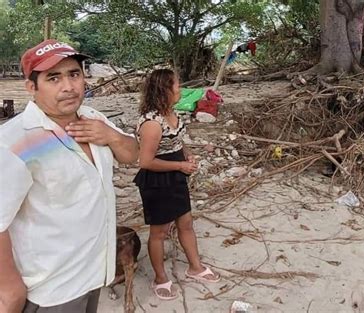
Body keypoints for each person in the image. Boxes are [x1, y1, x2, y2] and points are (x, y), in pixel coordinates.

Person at [0, 39, 138, 313]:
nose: (68, 86)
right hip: (52, 289)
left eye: (74, 74)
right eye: (54, 78)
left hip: (95, 272)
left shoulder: (92, 117)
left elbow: (131, 154)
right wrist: (8, 287)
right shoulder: (14, 142)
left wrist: (110, 135)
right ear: (32, 87)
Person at [134, 69, 220, 300]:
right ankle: (160, 278)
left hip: (176, 175)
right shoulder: (152, 123)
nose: (180, 90)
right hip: (157, 179)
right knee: (159, 232)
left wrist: (188, 157)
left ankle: (195, 267)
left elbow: (178, 143)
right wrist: (179, 167)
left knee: (186, 222)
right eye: (176, 86)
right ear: (164, 91)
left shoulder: (173, 113)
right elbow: (146, 161)